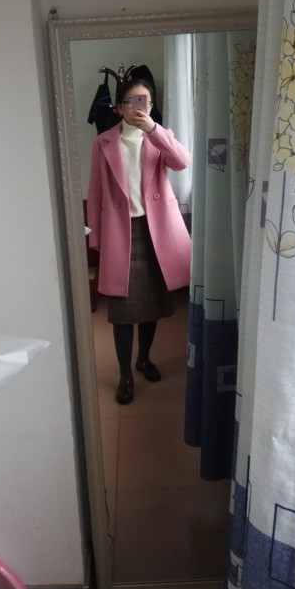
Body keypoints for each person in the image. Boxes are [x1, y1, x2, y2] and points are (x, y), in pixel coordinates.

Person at [86, 78, 192, 405]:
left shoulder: (160, 137)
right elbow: (95, 191)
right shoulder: (103, 142)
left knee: (150, 307)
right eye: (131, 101)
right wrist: (96, 237)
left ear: (151, 105)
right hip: (120, 233)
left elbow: (182, 162)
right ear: (119, 107)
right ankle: (125, 375)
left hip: (155, 232)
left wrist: (154, 130)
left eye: (144, 101)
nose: (138, 107)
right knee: (122, 310)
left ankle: (143, 359)